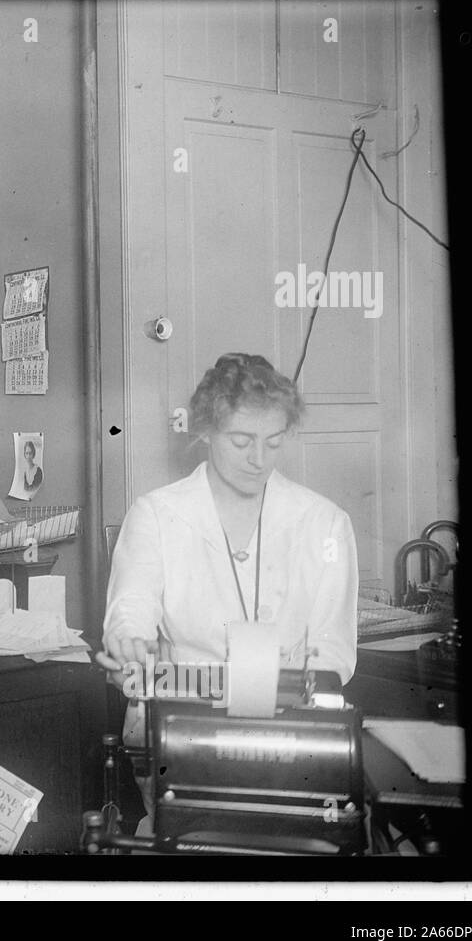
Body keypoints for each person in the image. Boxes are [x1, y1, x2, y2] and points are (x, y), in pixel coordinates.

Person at [99, 354, 358, 826]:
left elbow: (333, 651)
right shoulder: (157, 515)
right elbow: (130, 611)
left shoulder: (325, 524)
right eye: (241, 441)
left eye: (273, 442)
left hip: (295, 745)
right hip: (182, 737)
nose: (259, 460)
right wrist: (130, 648)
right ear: (205, 432)